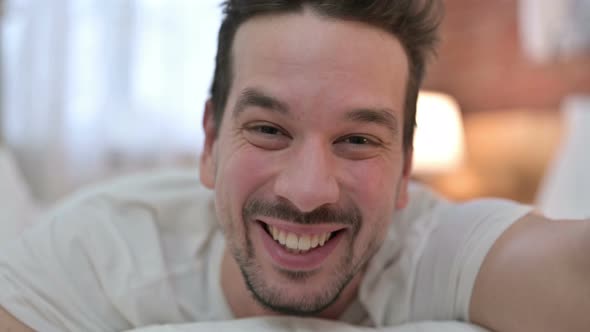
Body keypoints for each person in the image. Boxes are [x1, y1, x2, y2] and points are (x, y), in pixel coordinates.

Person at [1, 0, 589, 331]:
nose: (308, 192)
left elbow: (570, 270)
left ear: (405, 169)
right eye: (268, 130)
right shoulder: (99, 249)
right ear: (210, 143)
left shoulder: (427, 248)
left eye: (357, 140)